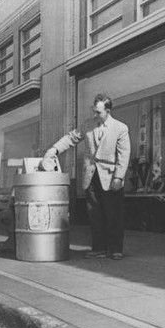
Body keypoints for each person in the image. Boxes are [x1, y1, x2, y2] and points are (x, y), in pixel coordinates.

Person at [42, 93, 131, 260]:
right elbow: (71, 138)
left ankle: (116, 249)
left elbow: (124, 155)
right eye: (94, 111)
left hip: (111, 177)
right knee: (94, 214)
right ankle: (99, 249)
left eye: (98, 112)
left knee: (114, 214)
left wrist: (119, 177)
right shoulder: (88, 125)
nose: (95, 114)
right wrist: (54, 149)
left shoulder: (121, 128)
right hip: (90, 176)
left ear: (108, 111)